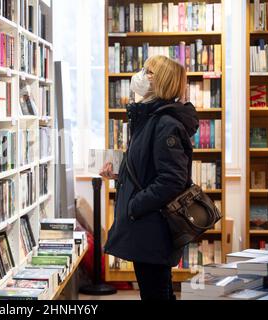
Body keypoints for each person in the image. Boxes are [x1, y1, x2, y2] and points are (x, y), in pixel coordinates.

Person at [101, 55, 199, 300]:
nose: (141, 74)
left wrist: (135, 205)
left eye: (148, 70)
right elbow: (149, 168)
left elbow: (172, 179)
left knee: (155, 293)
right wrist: (119, 173)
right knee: (160, 291)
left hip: (152, 225)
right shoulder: (149, 119)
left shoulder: (165, 124)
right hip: (147, 225)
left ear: (161, 81)